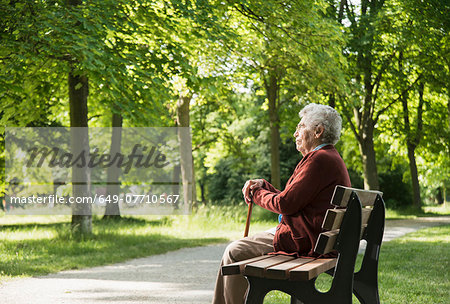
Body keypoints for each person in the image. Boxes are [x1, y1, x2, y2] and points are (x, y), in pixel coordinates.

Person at [212, 103, 351, 304]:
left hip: (305, 242)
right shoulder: (328, 157)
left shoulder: (319, 160)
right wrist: (265, 186)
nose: (295, 133)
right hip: (313, 238)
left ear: (318, 131)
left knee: (235, 251)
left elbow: (285, 204)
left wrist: (257, 193)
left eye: (301, 127)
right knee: (238, 249)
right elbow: (293, 199)